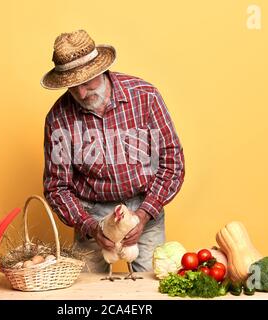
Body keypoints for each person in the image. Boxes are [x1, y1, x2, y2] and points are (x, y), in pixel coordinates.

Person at [41, 30, 185, 273]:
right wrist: (90, 226)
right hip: (91, 214)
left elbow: (172, 163)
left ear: (101, 70)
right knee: (84, 296)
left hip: (145, 206)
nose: (82, 94)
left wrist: (144, 213)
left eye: (87, 83)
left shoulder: (145, 97)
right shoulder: (58, 118)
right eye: (73, 87)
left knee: (151, 290)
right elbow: (57, 188)